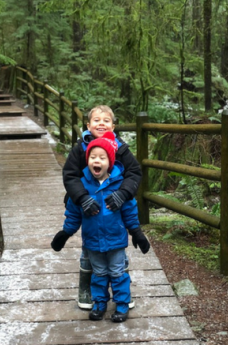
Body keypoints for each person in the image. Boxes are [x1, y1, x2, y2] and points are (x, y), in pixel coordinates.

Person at [51, 131, 150, 322]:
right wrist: (66, 232)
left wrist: (136, 232)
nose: (97, 160)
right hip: (93, 241)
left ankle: (121, 305)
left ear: (110, 162)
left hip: (115, 241)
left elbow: (130, 212)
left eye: (102, 157)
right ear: (87, 160)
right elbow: (73, 212)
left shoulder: (119, 186)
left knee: (117, 273)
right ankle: (100, 303)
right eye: (93, 157)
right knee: (99, 274)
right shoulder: (82, 186)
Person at [62, 105, 141, 310]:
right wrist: (81, 198)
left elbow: (134, 172)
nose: (101, 124)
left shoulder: (120, 147)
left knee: (117, 250)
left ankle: (123, 292)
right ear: (88, 125)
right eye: (96, 120)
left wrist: (123, 194)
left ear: (113, 126)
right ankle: (86, 289)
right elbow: (70, 174)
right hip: (85, 203)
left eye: (106, 121)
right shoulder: (81, 147)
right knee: (90, 250)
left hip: (113, 203)